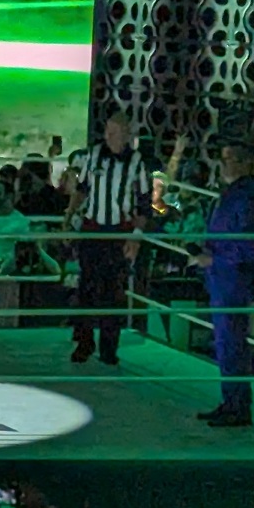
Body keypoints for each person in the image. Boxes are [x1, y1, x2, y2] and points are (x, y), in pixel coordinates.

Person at [62, 114, 162, 366]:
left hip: (119, 232)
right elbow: (82, 189)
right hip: (92, 229)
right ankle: (84, 342)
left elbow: (144, 204)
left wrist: (135, 237)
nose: (108, 137)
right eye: (107, 131)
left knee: (114, 291)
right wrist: (69, 216)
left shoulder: (136, 162)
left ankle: (109, 347)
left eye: (114, 132)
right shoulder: (94, 155)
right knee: (86, 287)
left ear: (126, 135)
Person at [193, 142, 254, 427]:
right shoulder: (234, 195)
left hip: (232, 278)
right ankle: (232, 402)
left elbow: (247, 247)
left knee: (232, 342)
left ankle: (237, 405)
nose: (223, 165)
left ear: (243, 163)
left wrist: (213, 259)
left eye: (228, 159)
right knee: (226, 342)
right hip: (223, 277)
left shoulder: (247, 199)